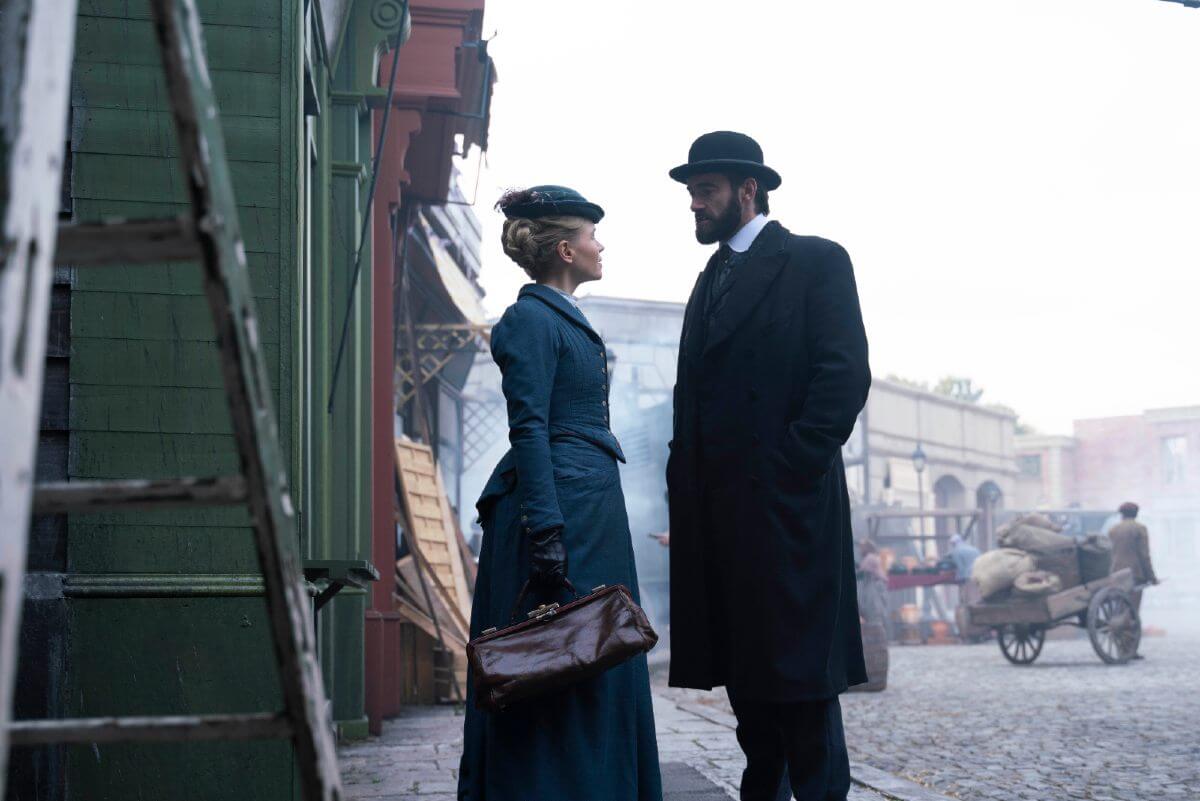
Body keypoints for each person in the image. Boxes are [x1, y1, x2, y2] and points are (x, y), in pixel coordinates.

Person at [665, 131, 871, 801]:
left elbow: (844, 375)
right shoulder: (709, 281)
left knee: (804, 690)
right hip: (721, 523)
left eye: (706, 190)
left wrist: (790, 468)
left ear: (747, 190)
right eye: (692, 192)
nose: (694, 203)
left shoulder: (814, 261)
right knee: (750, 689)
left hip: (788, 515)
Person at [458, 186, 662, 801]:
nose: (602, 246)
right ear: (567, 249)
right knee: (552, 655)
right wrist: (545, 532)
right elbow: (529, 427)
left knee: (600, 648)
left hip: (590, 505)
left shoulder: (560, 316)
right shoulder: (529, 320)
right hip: (560, 511)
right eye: (593, 236)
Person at [1108, 501, 1158, 614]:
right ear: (1136, 514)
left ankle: (1120, 626)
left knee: (1120, 604)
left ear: (1122, 514)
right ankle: (1129, 628)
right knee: (1133, 607)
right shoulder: (1139, 528)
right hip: (1135, 573)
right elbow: (1144, 555)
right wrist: (1151, 577)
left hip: (1117, 572)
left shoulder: (1113, 529)